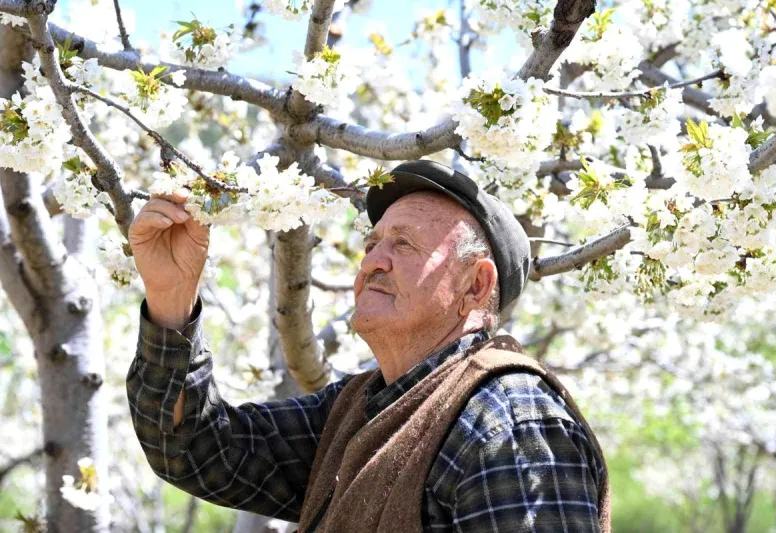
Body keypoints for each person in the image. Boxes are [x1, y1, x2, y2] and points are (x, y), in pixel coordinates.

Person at [127, 159, 610, 532]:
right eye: (371, 244)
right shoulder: (357, 409)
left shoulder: (508, 419)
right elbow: (195, 449)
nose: (372, 263)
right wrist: (172, 297)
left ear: (476, 287)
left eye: (403, 246)